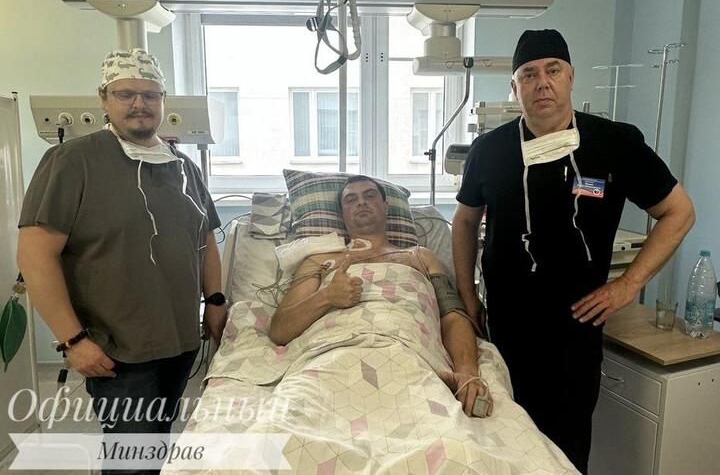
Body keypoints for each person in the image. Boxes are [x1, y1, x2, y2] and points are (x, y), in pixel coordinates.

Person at [451, 29, 695, 473]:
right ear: (514, 87)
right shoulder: (489, 151)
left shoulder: (614, 143)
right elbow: (465, 221)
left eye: (553, 70)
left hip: (575, 327)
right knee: (503, 441)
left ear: (570, 77)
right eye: (528, 74)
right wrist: (468, 296)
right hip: (506, 324)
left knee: (565, 448)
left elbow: (678, 212)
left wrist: (628, 285)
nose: (542, 83)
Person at [17, 49, 225, 471]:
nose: (139, 104)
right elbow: (35, 256)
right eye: (125, 93)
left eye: (150, 95)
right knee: (131, 459)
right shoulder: (72, 161)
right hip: (116, 349)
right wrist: (73, 340)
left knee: (156, 447)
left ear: (163, 101)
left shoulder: (183, 166)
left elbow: (204, 238)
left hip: (179, 342)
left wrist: (216, 300)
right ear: (104, 98)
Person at [269, 175, 492, 418]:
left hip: (410, 354)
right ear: (343, 214)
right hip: (332, 354)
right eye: (351, 199)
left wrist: (467, 372)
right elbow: (280, 330)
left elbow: (452, 315)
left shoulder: (419, 257)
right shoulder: (320, 261)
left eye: (369, 195)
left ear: (386, 207)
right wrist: (327, 297)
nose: (361, 202)